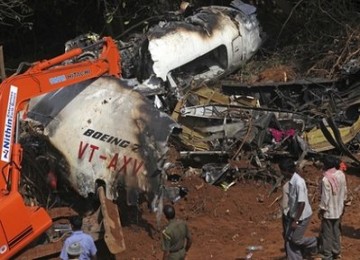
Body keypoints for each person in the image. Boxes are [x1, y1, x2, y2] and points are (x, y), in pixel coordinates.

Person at [279, 158, 317, 260]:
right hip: (294, 214)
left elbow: (302, 203)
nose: (281, 173)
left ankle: (315, 242)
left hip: (302, 216)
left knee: (296, 239)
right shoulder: (293, 181)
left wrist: (295, 221)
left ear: (286, 170)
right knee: (288, 238)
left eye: (282, 171)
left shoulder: (299, 182)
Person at [318, 156, 347, 260]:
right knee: (336, 231)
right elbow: (344, 191)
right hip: (338, 209)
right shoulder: (341, 174)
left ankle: (327, 255)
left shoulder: (326, 179)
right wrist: (343, 204)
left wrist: (321, 209)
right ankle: (336, 251)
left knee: (327, 235)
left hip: (329, 211)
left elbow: (325, 198)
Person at [281, 180, 290, 257]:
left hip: (288, 212)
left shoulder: (287, 186)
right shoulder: (300, 182)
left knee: (287, 234)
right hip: (291, 212)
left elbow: (285, 204)